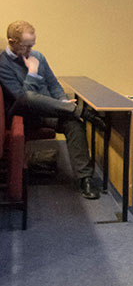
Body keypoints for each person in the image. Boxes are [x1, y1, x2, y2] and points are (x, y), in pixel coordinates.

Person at [0, 20, 101, 199]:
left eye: (33, 45)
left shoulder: (38, 56)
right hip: (24, 115)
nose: (30, 51)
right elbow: (21, 97)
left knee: (73, 124)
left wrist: (62, 100)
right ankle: (78, 110)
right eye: (26, 46)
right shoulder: (3, 63)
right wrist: (31, 72)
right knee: (29, 97)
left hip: (49, 111)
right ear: (12, 42)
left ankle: (84, 178)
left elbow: (54, 85)